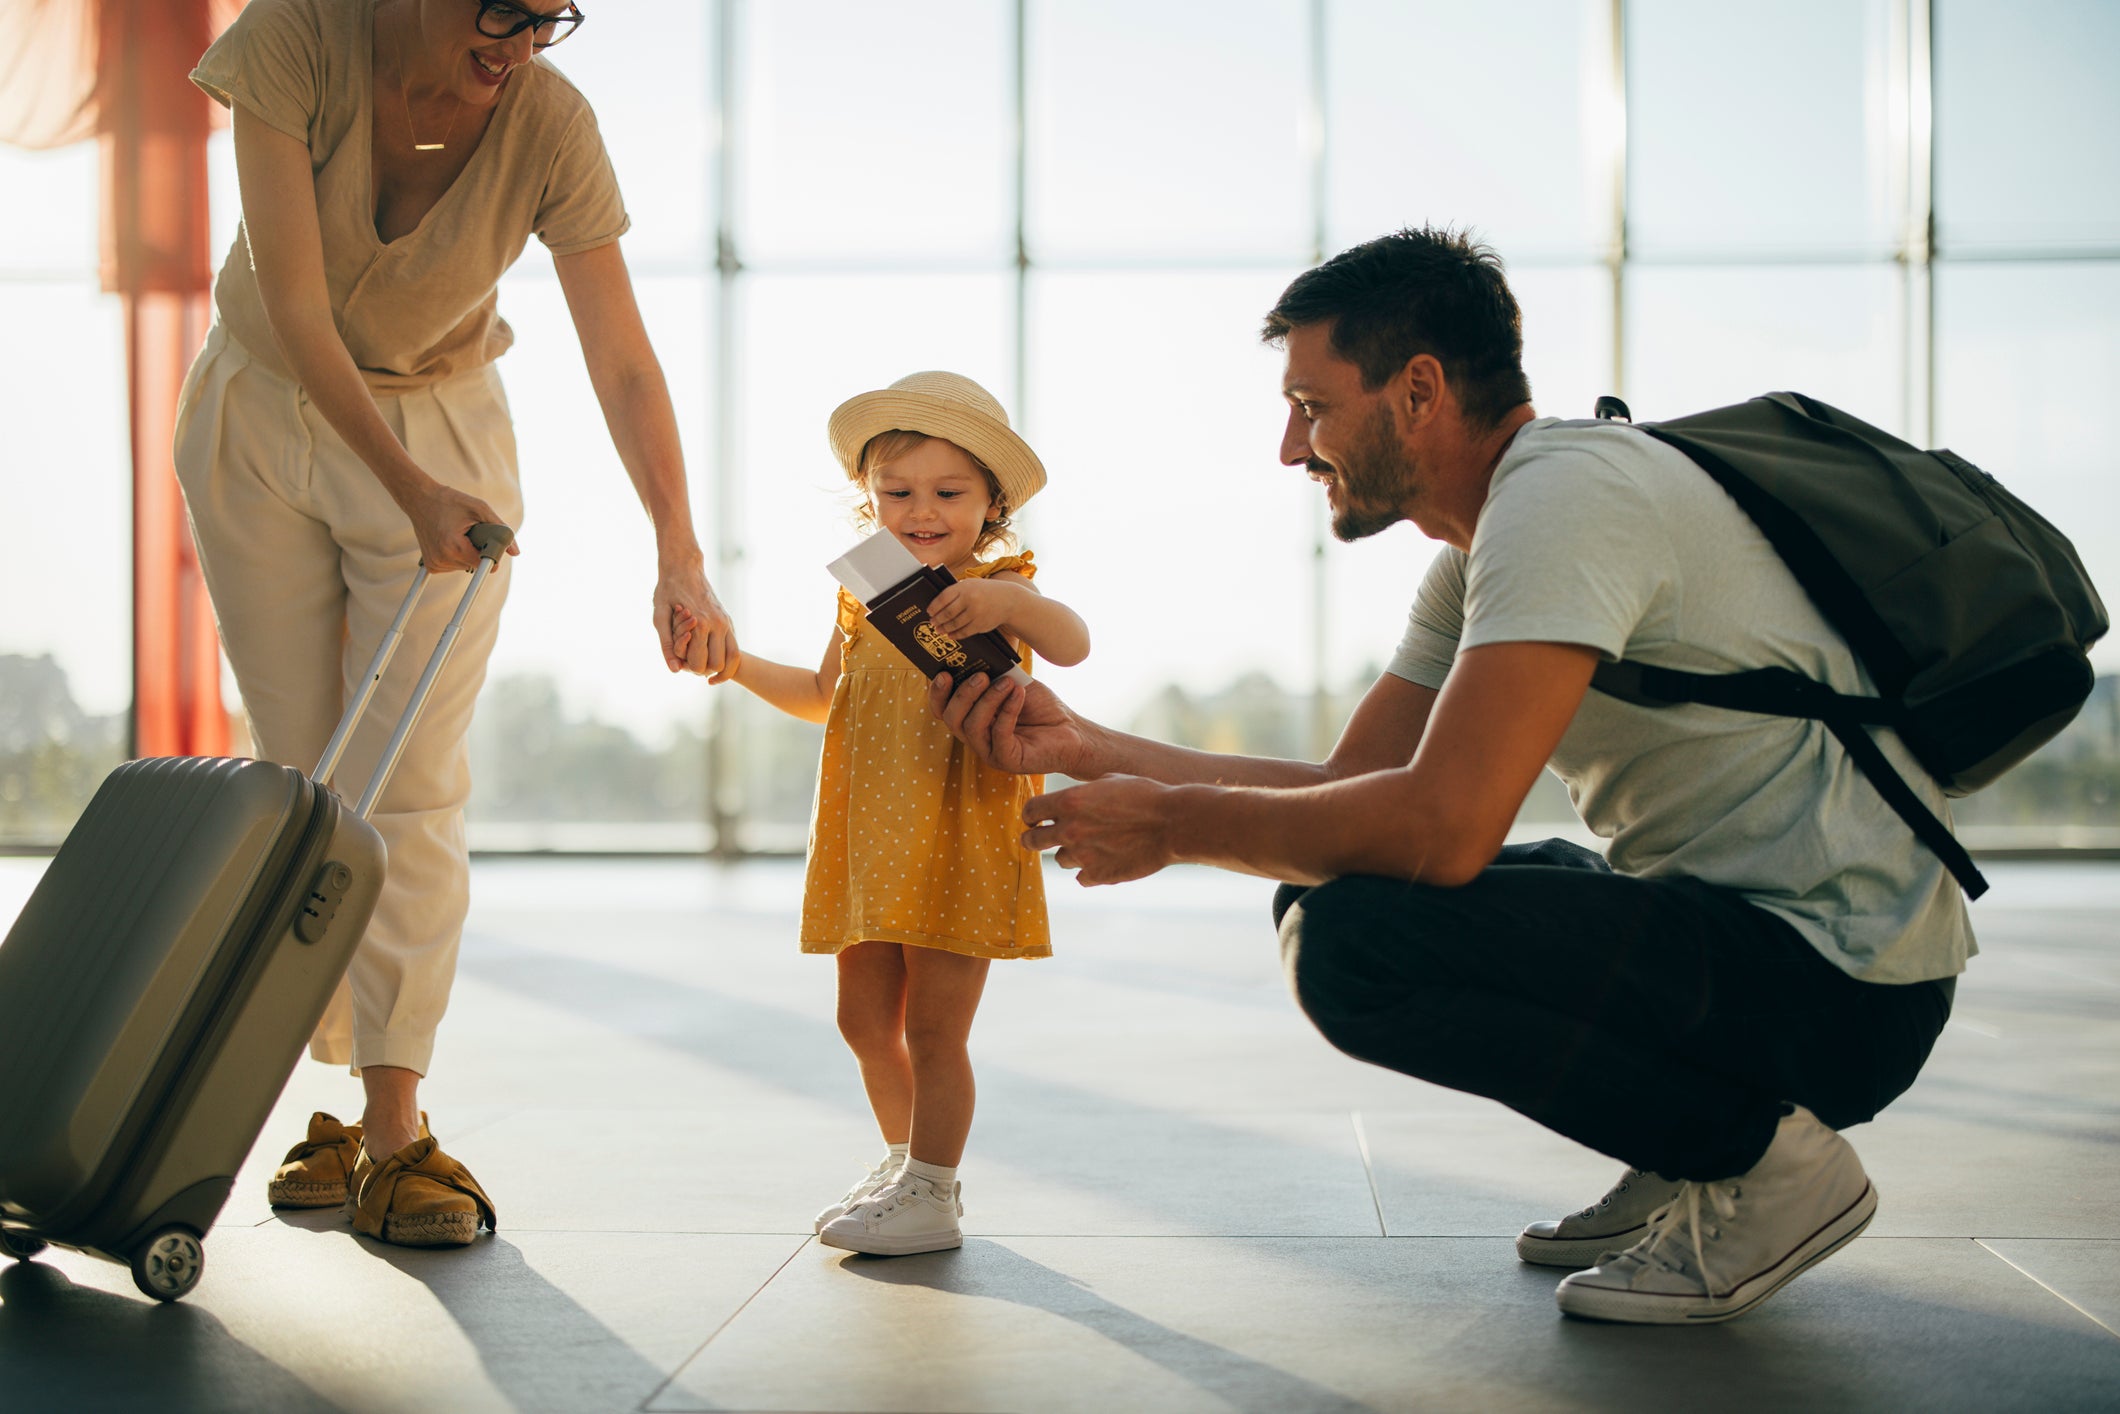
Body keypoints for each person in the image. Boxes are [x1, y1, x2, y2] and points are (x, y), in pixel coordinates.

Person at [932, 227, 1971, 1324]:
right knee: (1338, 884)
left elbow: (1443, 828)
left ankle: (1761, 1163)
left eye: (1312, 405)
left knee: (1354, 942)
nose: (1290, 447)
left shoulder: (1564, 499)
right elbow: (1346, 786)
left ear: (1417, 389)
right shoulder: (1480, 546)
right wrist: (1087, 747)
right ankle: (1685, 1148)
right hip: (1748, 940)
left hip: (1843, 988)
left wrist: (1174, 826)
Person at [176, 0, 735, 1247]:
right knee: (302, 773)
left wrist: (678, 548)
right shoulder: (295, 40)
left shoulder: (548, 124)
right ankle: (319, 1094)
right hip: (260, 413)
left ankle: (392, 1124)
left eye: (553, 18)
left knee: (409, 775)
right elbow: (296, 305)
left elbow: (625, 357)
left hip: (441, 429)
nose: (526, 41)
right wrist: (399, 487)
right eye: (504, 10)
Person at [679, 371, 1088, 1256]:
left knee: (937, 1028)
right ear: (868, 499)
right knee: (864, 1022)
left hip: (957, 834)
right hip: (870, 838)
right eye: (896, 492)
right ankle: (906, 1165)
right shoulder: (870, 590)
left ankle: (934, 1192)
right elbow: (827, 693)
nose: (921, 511)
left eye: (949, 492)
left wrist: (1006, 604)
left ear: (992, 501)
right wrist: (734, 664)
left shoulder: (1001, 582)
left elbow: (1072, 642)